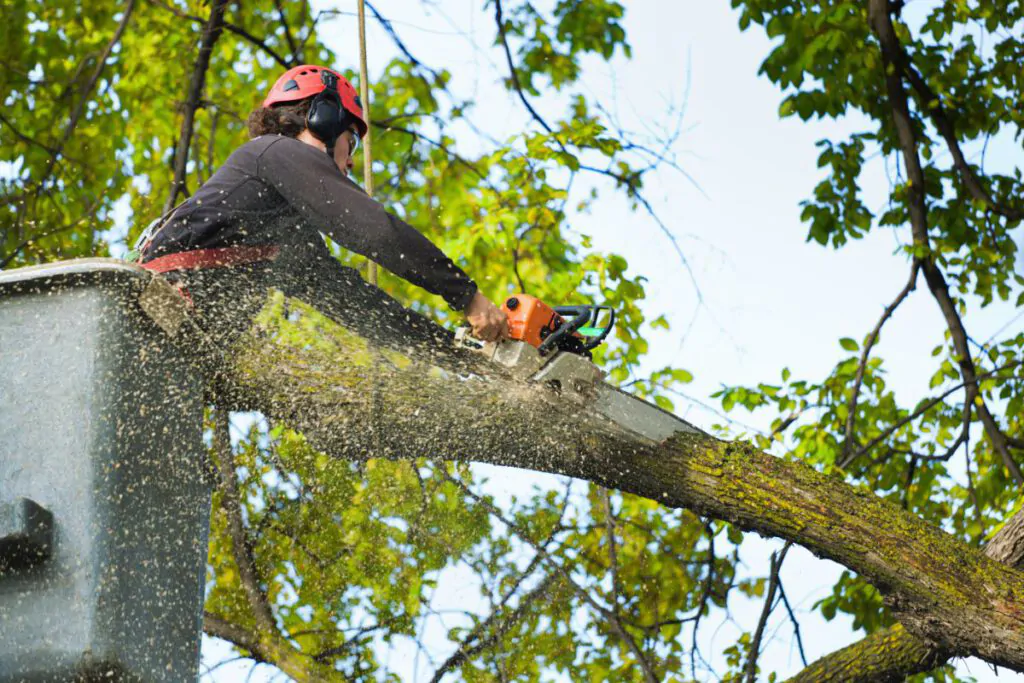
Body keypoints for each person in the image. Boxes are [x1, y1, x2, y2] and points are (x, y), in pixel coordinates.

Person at [137, 64, 509, 351]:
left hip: (174, 342)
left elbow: (358, 306)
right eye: (352, 140)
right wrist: (467, 295)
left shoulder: (285, 232)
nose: (349, 163)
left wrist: (457, 350)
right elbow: (375, 230)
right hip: (150, 313)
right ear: (324, 119)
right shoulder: (272, 152)